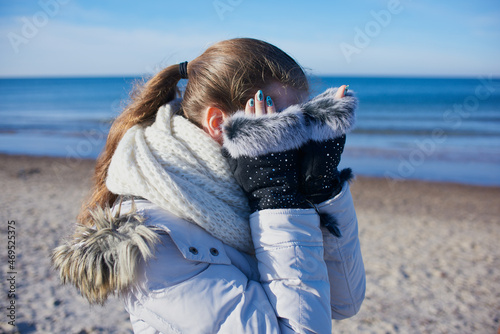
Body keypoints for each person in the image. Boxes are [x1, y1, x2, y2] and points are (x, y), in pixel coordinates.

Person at [52, 37, 365, 333]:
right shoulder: (156, 244)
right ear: (219, 124)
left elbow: (344, 300)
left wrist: (322, 190)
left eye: (302, 122)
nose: (295, 142)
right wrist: (277, 199)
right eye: (282, 123)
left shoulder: (250, 190)